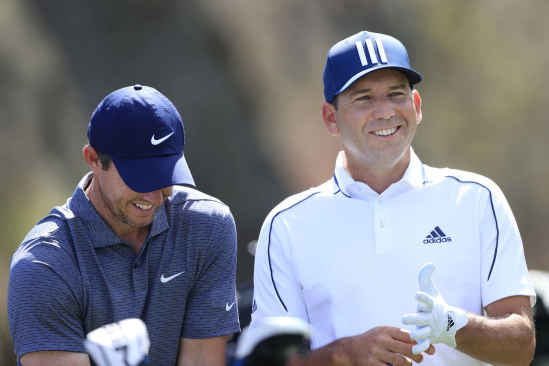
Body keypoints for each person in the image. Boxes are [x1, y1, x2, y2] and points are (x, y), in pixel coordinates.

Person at [250, 31, 536, 366]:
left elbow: (522, 345)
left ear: (416, 106)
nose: (385, 112)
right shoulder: (287, 225)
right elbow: (270, 362)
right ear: (331, 118)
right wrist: (343, 355)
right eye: (364, 98)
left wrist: (455, 326)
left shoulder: (477, 199)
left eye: (396, 94)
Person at [8, 85, 240, 366]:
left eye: (164, 175)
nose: (155, 197)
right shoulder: (43, 267)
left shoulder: (207, 226)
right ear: (94, 160)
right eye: (140, 177)